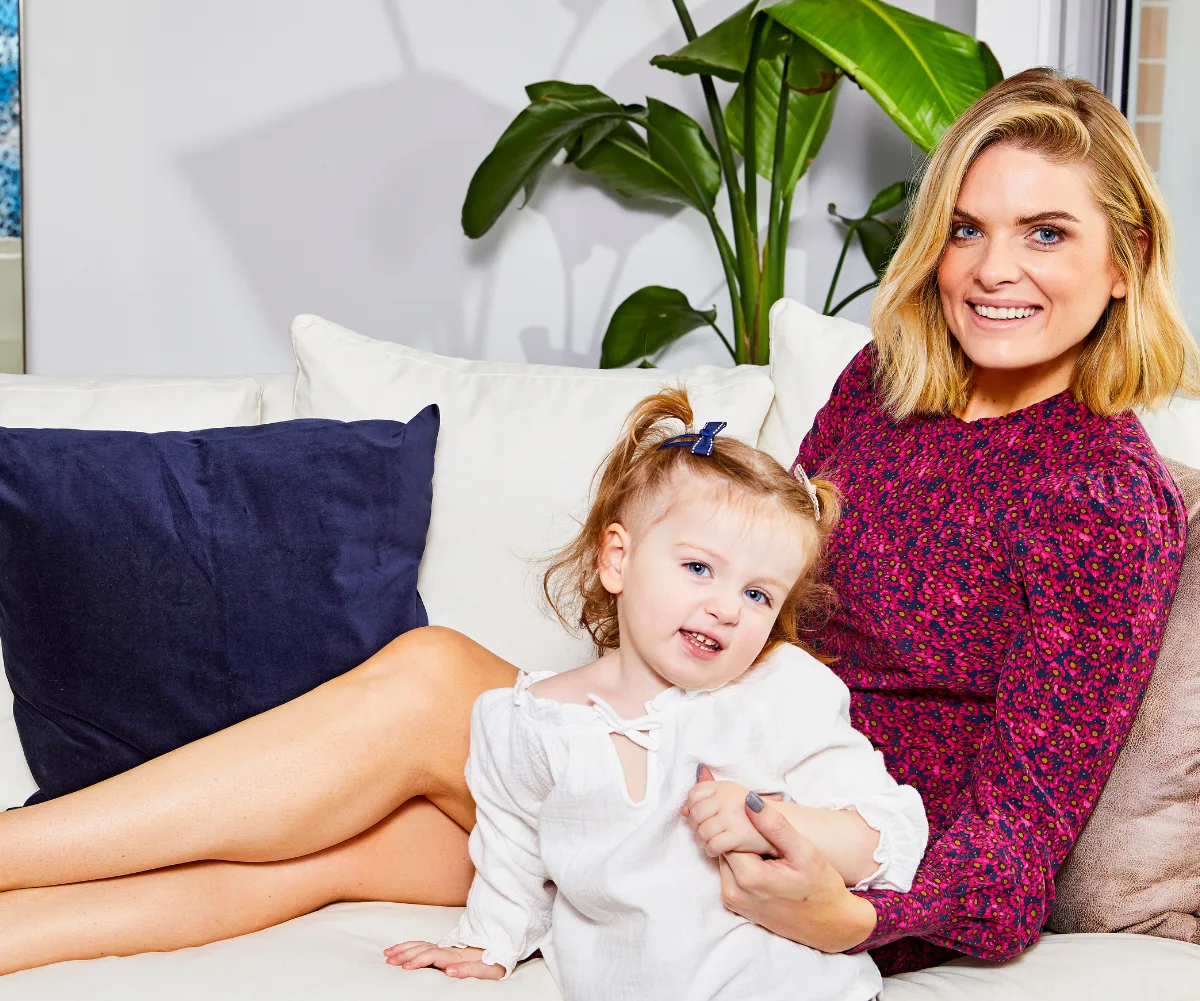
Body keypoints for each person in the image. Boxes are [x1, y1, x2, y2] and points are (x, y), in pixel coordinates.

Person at [0, 68, 1195, 978]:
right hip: (673, 751)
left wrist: (856, 913)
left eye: (1049, 233)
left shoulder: (1106, 499)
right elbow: (744, 582)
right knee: (344, 852)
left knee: (431, 682)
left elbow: (1019, 833)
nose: (996, 269)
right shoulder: (883, 386)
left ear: (1126, 258)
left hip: (798, 842)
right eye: (971, 227)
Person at [384, 390, 927, 999]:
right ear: (618, 559)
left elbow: (887, 835)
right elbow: (512, 856)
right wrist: (484, 943)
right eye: (699, 567)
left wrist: (767, 821)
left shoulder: (782, 693)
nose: (725, 607)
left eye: (758, 595)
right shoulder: (528, 720)